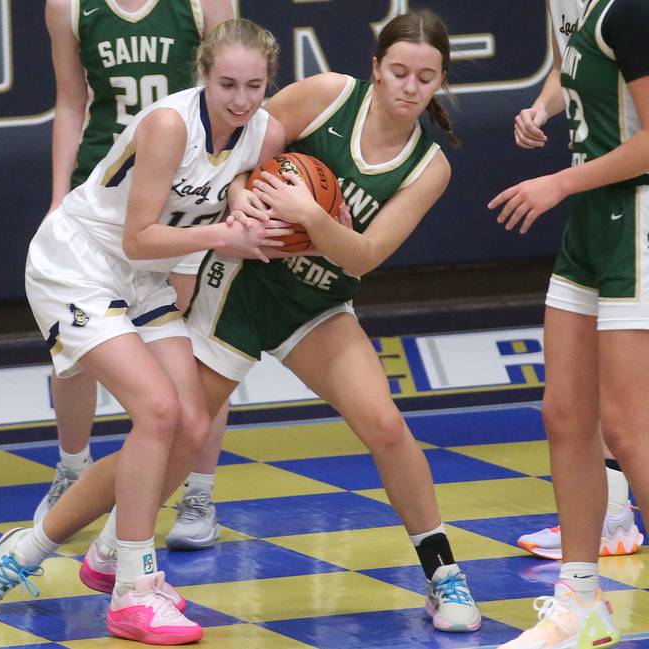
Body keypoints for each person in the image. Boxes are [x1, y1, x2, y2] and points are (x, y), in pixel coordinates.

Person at [0, 18, 287, 645]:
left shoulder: (261, 130)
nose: (241, 100)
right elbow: (139, 236)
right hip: (77, 265)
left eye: (255, 86)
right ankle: (134, 590)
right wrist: (227, 235)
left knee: (192, 422)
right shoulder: (168, 125)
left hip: (142, 281)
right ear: (203, 76)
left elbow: (240, 175)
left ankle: (41, 556)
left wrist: (243, 198)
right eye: (227, 85)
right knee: (158, 410)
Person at [180, 9, 482, 633]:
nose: (409, 86)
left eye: (425, 78)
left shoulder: (430, 168)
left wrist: (307, 215)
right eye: (398, 71)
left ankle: (443, 573)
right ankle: (62, 549)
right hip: (245, 282)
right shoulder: (327, 95)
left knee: (387, 426)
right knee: (174, 433)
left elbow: (363, 256)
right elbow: (238, 154)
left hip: (317, 302)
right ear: (376, 68)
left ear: (440, 82)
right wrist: (245, 204)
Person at [35, 0, 235, 526]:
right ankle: (74, 470)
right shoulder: (70, 8)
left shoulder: (203, 5)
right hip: (107, 186)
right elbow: (71, 102)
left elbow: (235, 92)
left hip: (188, 195)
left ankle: (197, 490)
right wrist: (59, 196)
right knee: (74, 350)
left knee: (195, 355)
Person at [489, 0, 649, 645]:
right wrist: (546, 114)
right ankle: (581, 602)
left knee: (630, 430)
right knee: (565, 414)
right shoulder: (577, 10)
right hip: (590, 222)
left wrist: (559, 181)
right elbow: (576, 77)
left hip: (633, 219)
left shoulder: (631, 11)